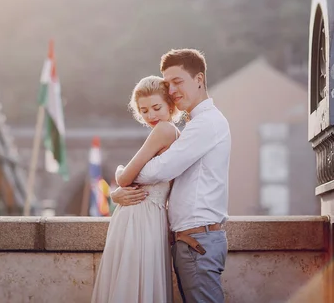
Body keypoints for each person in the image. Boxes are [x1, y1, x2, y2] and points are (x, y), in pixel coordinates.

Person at [112, 48, 231, 303]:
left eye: (178, 81)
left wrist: (122, 174)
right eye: (169, 84)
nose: (173, 90)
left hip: (198, 241)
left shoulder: (206, 123)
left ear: (199, 79)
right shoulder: (194, 124)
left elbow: (161, 169)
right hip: (192, 240)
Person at [91, 75, 182, 303]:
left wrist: (119, 171)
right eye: (143, 110)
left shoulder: (164, 130)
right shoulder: (170, 132)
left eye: (156, 107)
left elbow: (125, 178)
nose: (150, 115)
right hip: (148, 216)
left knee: (130, 284)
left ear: (170, 105)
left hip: (141, 217)